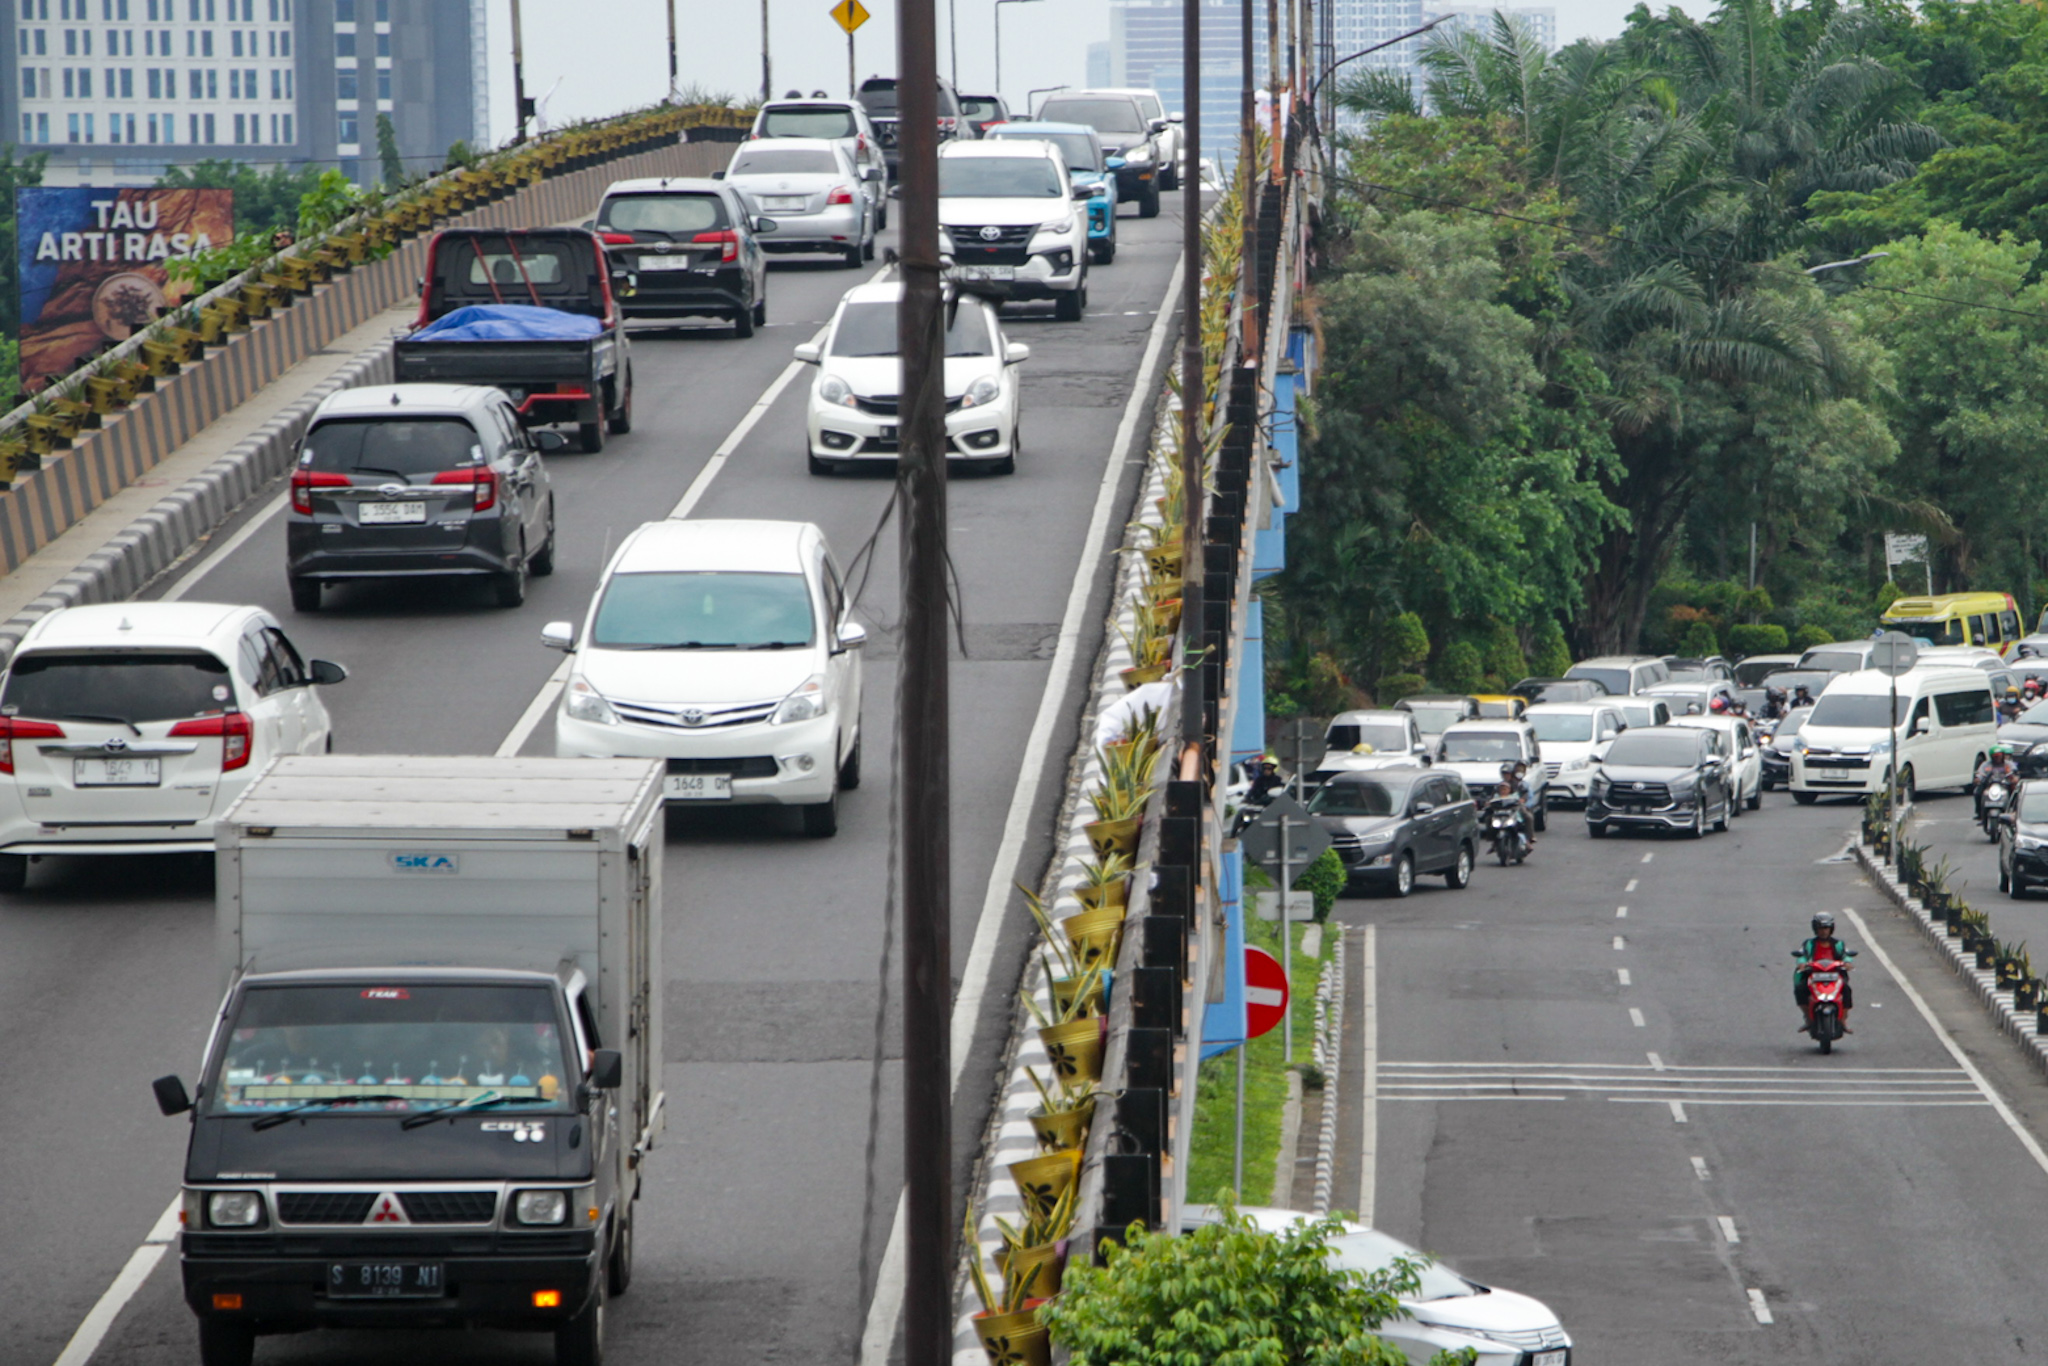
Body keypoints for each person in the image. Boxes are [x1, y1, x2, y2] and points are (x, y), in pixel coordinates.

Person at [1793, 911, 1856, 1034]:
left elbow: (1846, 955)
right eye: (1821, 928)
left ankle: (1843, 1019)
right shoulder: (1809, 944)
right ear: (1815, 929)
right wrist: (1802, 963)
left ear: (1831, 929)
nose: (1824, 931)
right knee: (1800, 989)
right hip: (1814, 974)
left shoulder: (1838, 944)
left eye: (1826, 928)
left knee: (1846, 990)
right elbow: (1802, 956)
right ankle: (1808, 1018)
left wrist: (1847, 962)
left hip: (1834, 974)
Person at [1975, 745, 2017, 822]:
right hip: (1989, 785)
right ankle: (1979, 813)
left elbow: (2014, 774)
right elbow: (1980, 774)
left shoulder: (2008, 764)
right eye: (1995, 756)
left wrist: (2012, 777)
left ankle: (2015, 810)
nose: (1997, 758)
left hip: (2004, 785)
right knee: (1977, 792)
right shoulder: (1986, 765)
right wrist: (1978, 779)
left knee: (2016, 791)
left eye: (1999, 756)